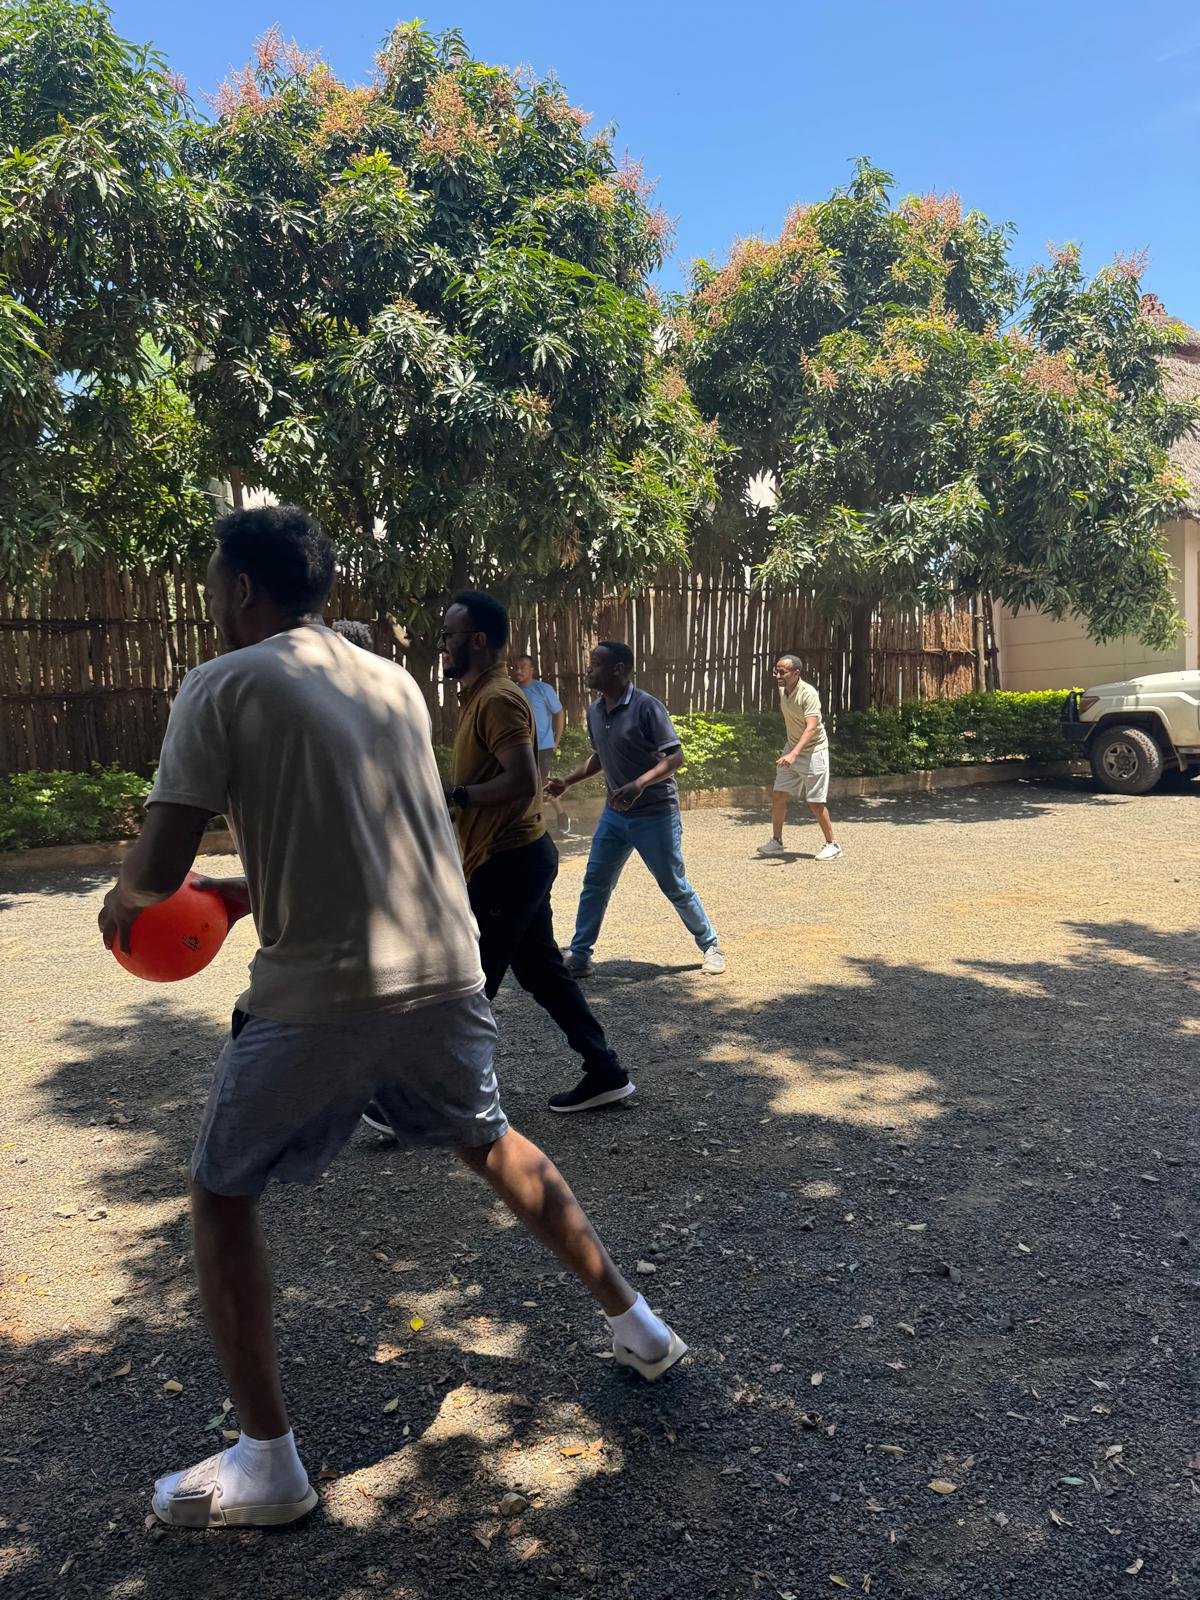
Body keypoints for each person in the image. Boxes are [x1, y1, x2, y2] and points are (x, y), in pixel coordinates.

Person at [97, 509, 686, 1530]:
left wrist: (123, 899)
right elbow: (355, 835)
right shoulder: (390, 683)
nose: (206, 597)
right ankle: (639, 1326)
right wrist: (246, 893)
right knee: (490, 1138)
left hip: (320, 993)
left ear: (241, 589)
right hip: (444, 966)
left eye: (209, 581)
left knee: (220, 1191)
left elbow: (153, 869)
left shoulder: (222, 682)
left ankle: (269, 1465)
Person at [548, 642, 726, 978]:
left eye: (596, 663)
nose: (589, 669)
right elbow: (600, 756)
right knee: (595, 882)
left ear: (618, 669)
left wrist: (639, 783)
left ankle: (711, 945)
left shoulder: (647, 707)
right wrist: (567, 782)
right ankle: (581, 956)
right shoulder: (595, 710)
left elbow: (675, 757)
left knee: (673, 883)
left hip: (655, 814)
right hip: (615, 816)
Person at [756, 654, 842, 860]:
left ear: (796, 673)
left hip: (813, 751)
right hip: (792, 748)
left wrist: (794, 754)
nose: (777, 675)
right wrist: (791, 751)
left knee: (815, 801)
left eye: (782, 672)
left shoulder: (808, 693)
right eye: (776, 670)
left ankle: (833, 845)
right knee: (778, 794)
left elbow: (811, 727)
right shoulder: (783, 690)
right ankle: (776, 841)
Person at [511, 653, 574, 838]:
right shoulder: (513, 691)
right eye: (516, 667)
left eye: (523, 666)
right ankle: (560, 816)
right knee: (532, 783)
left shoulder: (543, 689)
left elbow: (559, 712)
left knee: (539, 784)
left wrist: (556, 740)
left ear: (532, 670)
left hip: (543, 746)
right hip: (521, 747)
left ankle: (539, 822)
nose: (518, 670)